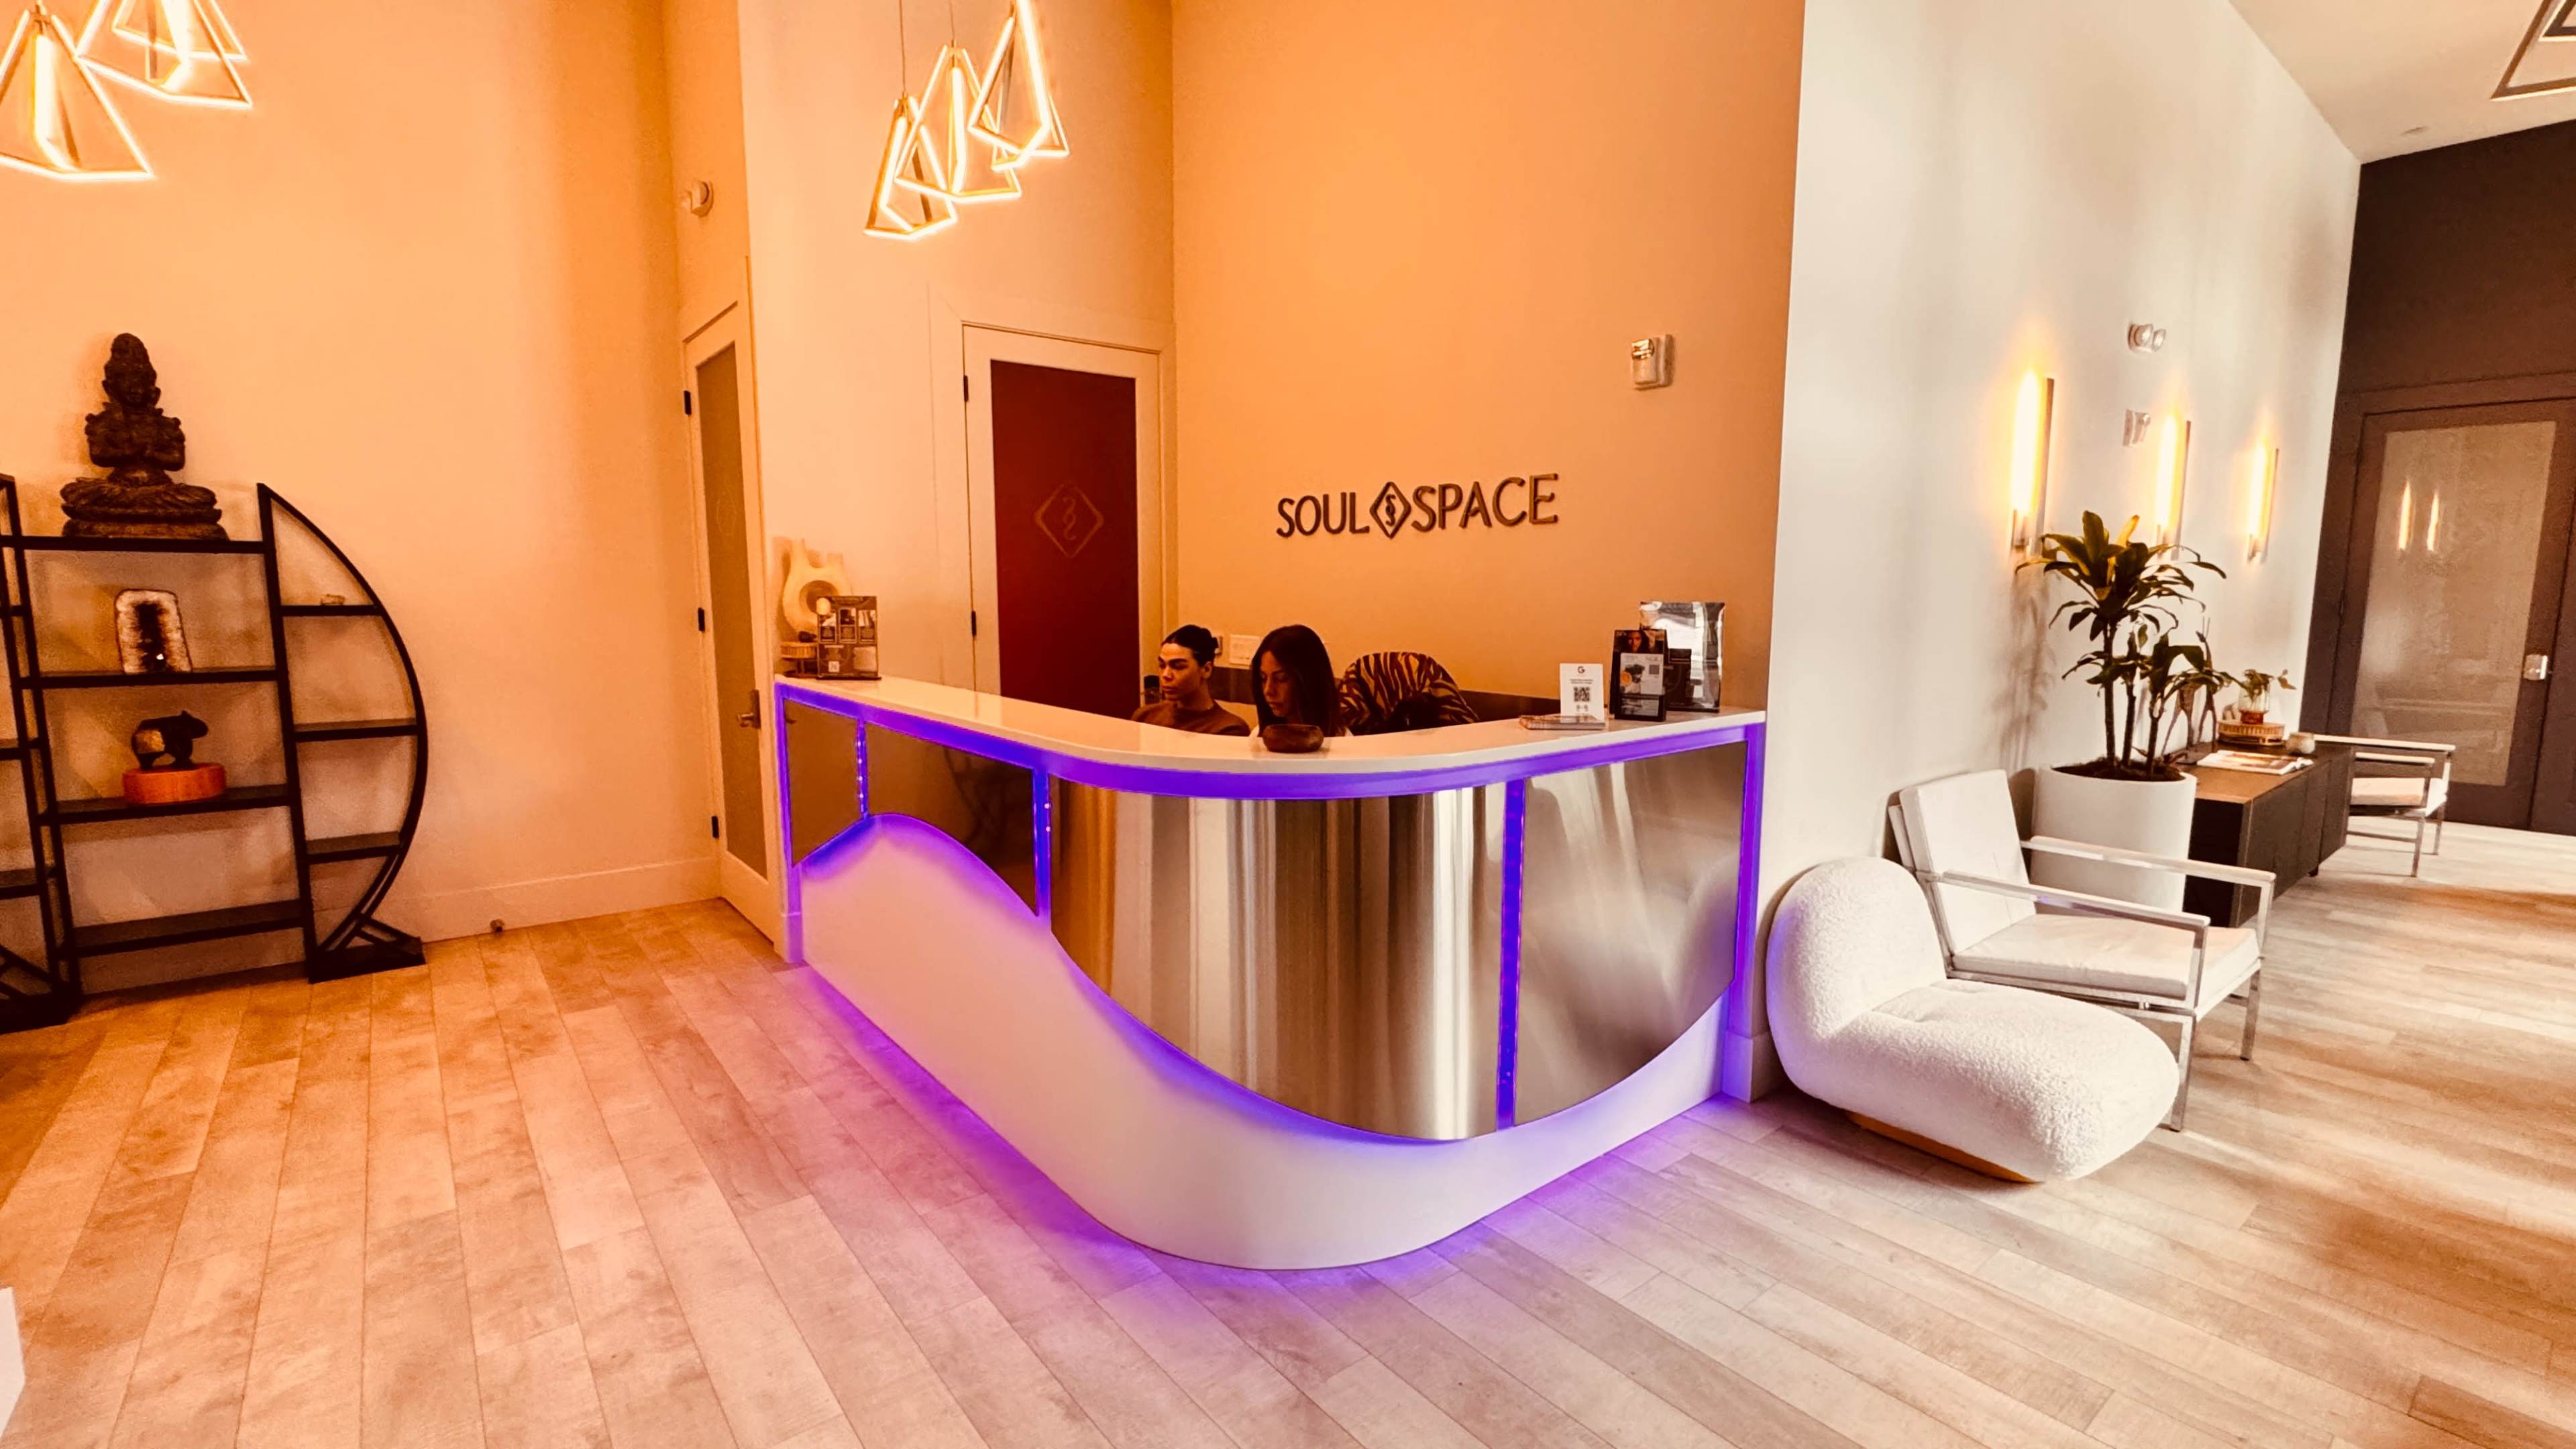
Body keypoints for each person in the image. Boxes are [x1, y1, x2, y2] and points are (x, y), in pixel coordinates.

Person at [1132, 625, 1250, 736]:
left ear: (1206, 670)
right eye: (1162, 665)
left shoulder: (1229, 728)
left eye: (1178, 666)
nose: (1166, 675)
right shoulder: (1145, 716)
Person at [1252, 624, 1344, 735]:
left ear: (1308, 681)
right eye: (1263, 678)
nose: (1268, 690)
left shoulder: (1342, 741)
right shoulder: (1258, 736)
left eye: (1281, 679)